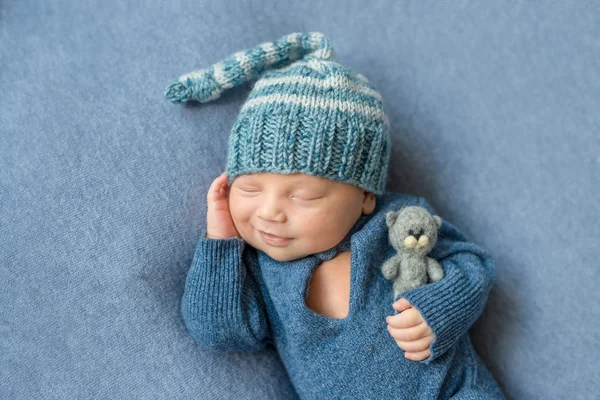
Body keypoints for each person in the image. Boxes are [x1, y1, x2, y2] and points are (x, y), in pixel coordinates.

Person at [166, 32, 505, 399]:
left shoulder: (396, 222)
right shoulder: (257, 268)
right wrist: (221, 243)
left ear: (365, 197)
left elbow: (473, 263)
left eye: (305, 195)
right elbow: (218, 332)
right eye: (249, 189)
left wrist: (439, 310)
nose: (269, 212)